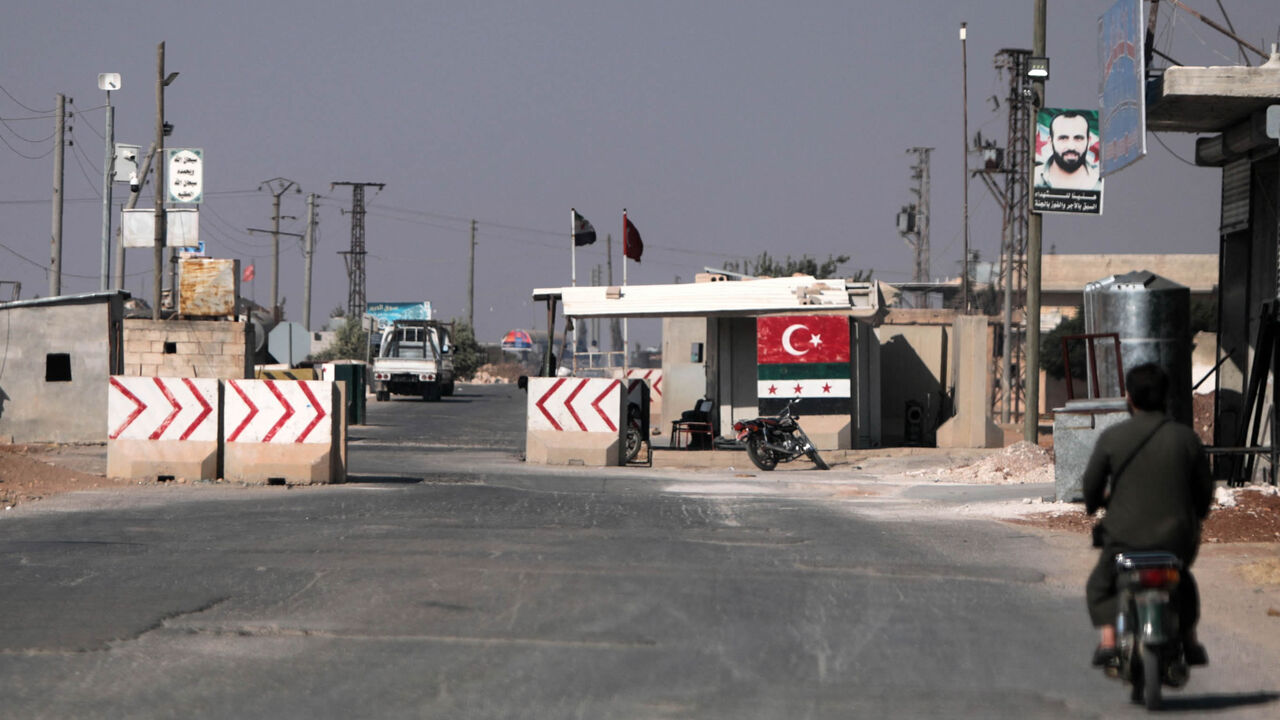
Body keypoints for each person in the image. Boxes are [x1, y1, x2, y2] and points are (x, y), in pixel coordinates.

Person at [1082, 363, 1213, 667]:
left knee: (1101, 584)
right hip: (1175, 539)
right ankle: (1189, 639)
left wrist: (1093, 504)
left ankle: (1109, 640)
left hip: (1124, 539)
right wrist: (1196, 514)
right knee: (1183, 581)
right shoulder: (1186, 438)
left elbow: (1091, 484)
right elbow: (1204, 492)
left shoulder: (1113, 438)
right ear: (1167, 396)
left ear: (1129, 398)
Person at [1036, 111, 1102, 190]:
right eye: (1063, 138)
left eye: (1078, 138)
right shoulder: (1032, 177)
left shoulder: (1103, 185)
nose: (1071, 147)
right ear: (1050, 142)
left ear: (1088, 142)